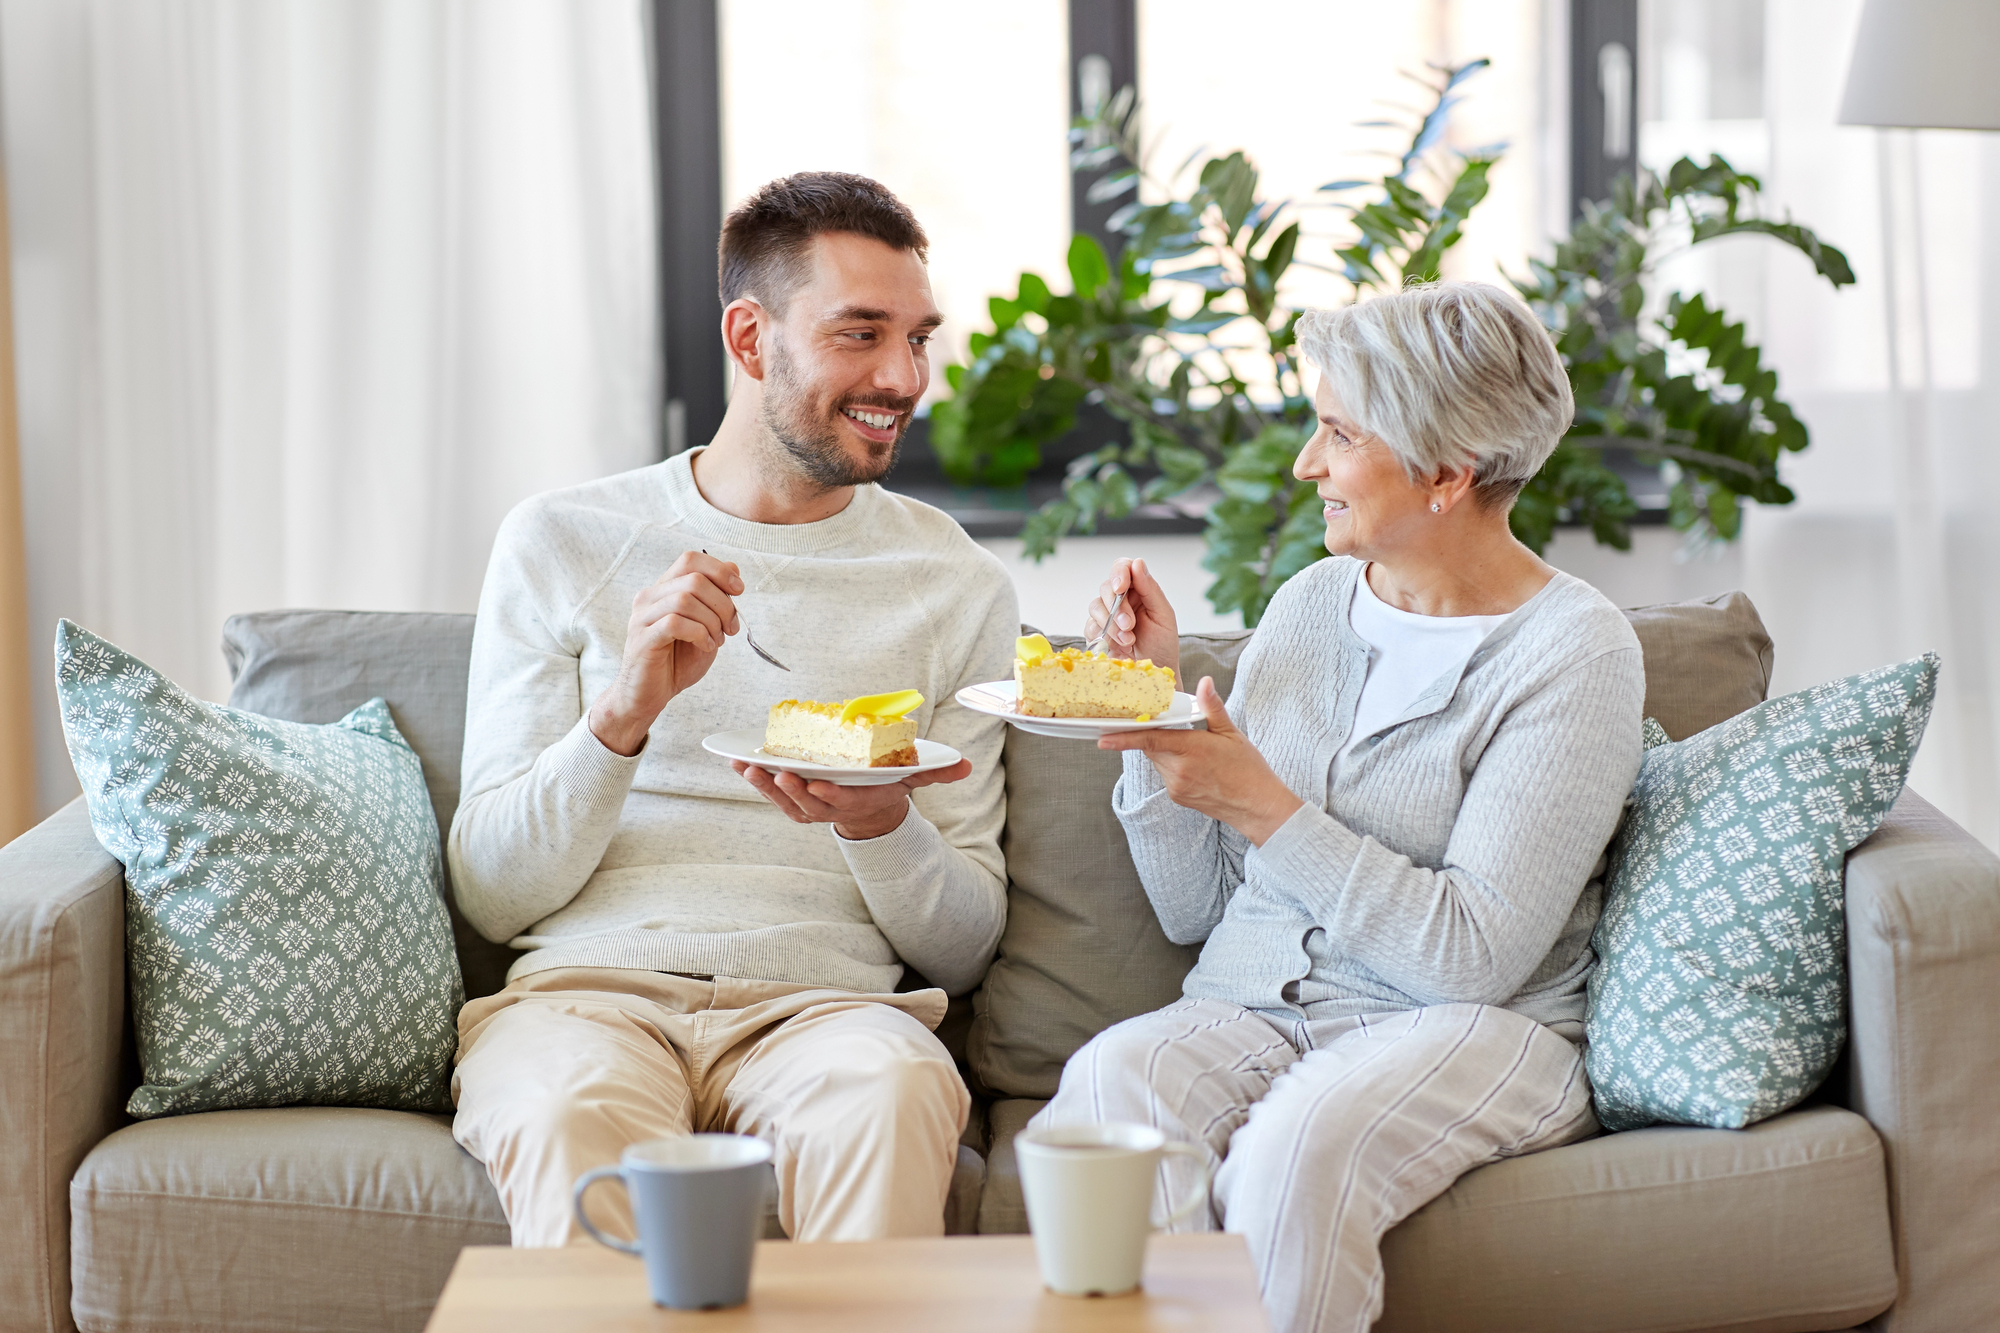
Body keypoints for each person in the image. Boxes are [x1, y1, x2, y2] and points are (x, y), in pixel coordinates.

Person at [1033, 281, 1646, 1333]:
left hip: (1469, 1026)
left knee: (1301, 1144)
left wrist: (1271, 810)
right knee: (1105, 1090)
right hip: (1252, 1010)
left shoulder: (1570, 652)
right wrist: (1152, 703)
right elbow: (1194, 911)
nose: (1303, 464)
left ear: (1446, 471)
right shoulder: (1309, 605)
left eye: (1336, 433)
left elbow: (1473, 954)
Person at [447, 172, 1017, 1246]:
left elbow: (965, 948)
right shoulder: (563, 541)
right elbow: (488, 890)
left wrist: (877, 820)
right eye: (860, 335)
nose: (902, 376)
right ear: (750, 339)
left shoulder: (957, 586)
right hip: (585, 1001)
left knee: (893, 1096)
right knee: (566, 1114)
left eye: (917, 338)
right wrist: (619, 715)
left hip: (830, 1012)